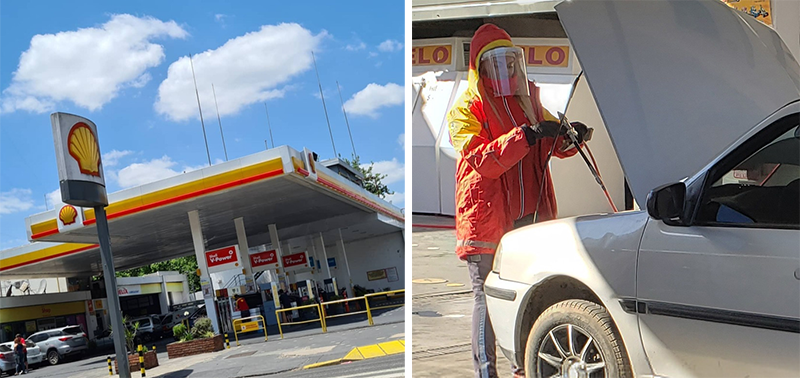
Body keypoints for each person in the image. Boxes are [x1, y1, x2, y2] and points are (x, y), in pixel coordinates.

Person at [447, 24, 591, 378]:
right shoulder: (466, 109)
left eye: (511, 63)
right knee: (486, 298)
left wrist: (572, 137)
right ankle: (486, 372)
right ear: (480, 68)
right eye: (498, 64)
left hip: (529, 218)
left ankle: (521, 367)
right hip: (488, 221)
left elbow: (551, 146)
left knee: (527, 295)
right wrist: (524, 135)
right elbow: (483, 161)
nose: (508, 71)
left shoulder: (529, 101)